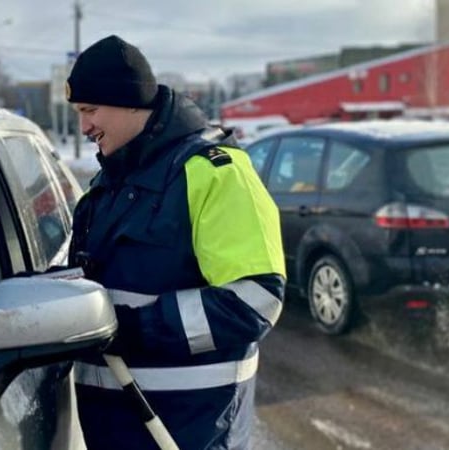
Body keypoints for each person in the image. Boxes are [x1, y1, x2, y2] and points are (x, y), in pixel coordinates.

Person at [65, 35, 285, 449]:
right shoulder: (109, 182)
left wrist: (128, 328)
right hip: (113, 427)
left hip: (187, 430)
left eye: (90, 110)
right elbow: (85, 280)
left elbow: (256, 298)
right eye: (78, 113)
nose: (84, 127)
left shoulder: (216, 172)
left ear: (128, 99)